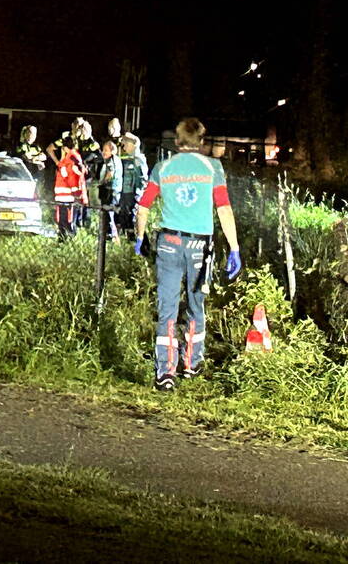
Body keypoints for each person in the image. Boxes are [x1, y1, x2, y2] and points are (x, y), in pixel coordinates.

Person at [134, 118, 241, 391]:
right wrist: (234, 248)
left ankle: (165, 373)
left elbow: (143, 206)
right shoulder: (212, 167)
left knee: (166, 308)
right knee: (196, 305)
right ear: (201, 141)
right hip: (199, 247)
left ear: (177, 141)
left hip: (168, 243)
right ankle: (191, 365)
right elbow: (224, 209)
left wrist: (140, 237)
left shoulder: (163, 167)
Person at [53, 136, 87, 240]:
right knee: (65, 219)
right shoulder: (73, 157)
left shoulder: (70, 159)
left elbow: (72, 177)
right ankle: (64, 238)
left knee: (67, 220)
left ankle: (67, 238)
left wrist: (75, 193)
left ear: (64, 147)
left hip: (67, 195)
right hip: (66, 195)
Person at [117, 132, 149, 239]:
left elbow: (142, 178)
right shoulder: (127, 158)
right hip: (126, 192)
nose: (124, 146)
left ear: (133, 144)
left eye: (126, 143)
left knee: (131, 216)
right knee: (124, 215)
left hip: (133, 194)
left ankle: (134, 238)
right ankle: (127, 235)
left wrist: (138, 194)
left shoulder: (138, 159)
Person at [98, 140, 123, 240]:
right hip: (116, 189)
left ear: (112, 151)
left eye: (106, 150)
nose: (103, 152)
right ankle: (116, 234)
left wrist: (103, 182)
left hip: (110, 190)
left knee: (108, 212)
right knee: (114, 212)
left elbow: (110, 173)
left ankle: (111, 234)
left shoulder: (110, 159)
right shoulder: (117, 159)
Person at [15, 125, 47, 190]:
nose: (33, 135)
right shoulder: (21, 145)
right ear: (26, 133)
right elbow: (27, 158)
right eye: (31, 132)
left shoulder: (36, 146)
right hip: (24, 175)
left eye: (35, 133)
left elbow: (44, 157)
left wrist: (35, 158)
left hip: (36, 174)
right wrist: (39, 161)